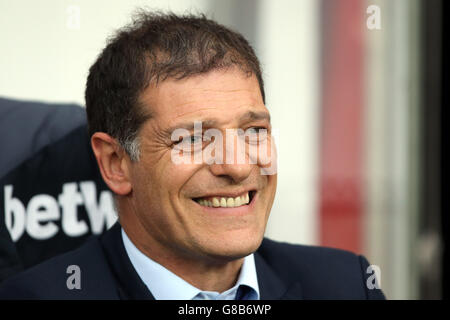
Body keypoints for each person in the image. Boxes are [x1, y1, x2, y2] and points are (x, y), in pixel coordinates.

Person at [0, 11, 385, 300]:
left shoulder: (347, 285)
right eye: (193, 140)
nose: (236, 165)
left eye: (253, 132)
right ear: (116, 163)